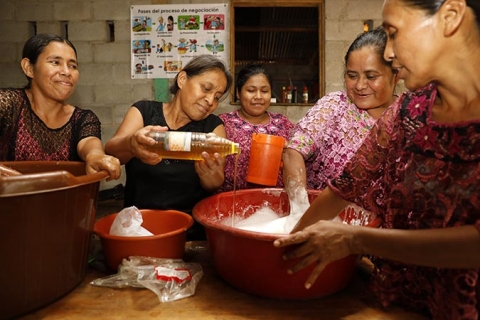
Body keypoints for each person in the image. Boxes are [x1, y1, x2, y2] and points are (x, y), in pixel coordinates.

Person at [274, 0, 480, 319]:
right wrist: (292, 244)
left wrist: (355, 238)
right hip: (400, 300)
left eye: (394, 33)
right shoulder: (408, 111)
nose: (388, 53)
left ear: (451, 17)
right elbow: (347, 185)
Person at [105, 54, 233, 240]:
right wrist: (132, 144)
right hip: (139, 229)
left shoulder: (212, 128)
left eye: (217, 97)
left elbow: (214, 184)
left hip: (188, 233)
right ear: (182, 79)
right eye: (205, 89)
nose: (210, 101)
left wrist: (211, 176)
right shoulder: (144, 111)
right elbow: (112, 152)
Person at [282, 27, 398, 202]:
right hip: (323, 223)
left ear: (395, 76)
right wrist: (299, 211)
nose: (359, 85)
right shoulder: (335, 106)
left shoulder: (409, 115)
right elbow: (293, 152)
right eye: (352, 76)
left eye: (371, 76)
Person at [0, 34, 121, 180]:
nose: (67, 72)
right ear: (29, 68)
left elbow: (89, 144)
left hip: (61, 202)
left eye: (72, 66)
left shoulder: (83, 119)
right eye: (55, 62)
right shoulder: (8, 104)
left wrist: (96, 156)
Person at [218, 64, 294, 192]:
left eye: (264, 91)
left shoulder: (283, 123)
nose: (258, 96)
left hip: (274, 202)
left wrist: (289, 153)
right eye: (251, 90)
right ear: (238, 93)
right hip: (232, 201)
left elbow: (297, 159)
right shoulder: (224, 123)